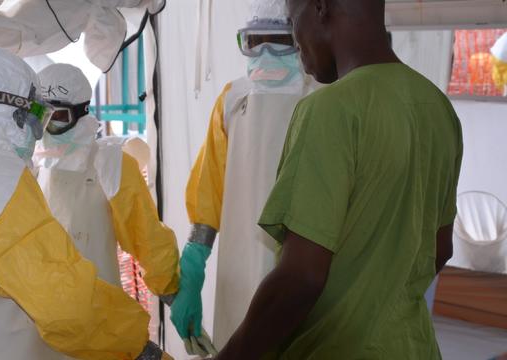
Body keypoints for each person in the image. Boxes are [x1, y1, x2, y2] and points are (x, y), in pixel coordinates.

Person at [214, 0, 463, 358]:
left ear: (319, 8)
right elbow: (439, 249)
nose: (294, 37)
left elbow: (301, 278)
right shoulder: (438, 108)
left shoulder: (328, 110)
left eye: (292, 16)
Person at [0, 48, 170, 360]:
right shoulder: (2, 179)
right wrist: (138, 347)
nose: (38, 132)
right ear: (15, 113)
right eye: (38, 116)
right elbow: (62, 302)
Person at [168, 0, 317, 354]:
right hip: (240, 259)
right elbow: (210, 184)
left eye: (276, 40)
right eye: (254, 41)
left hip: (306, 261)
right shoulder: (231, 99)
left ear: (298, 39)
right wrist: (192, 265)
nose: (265, 53)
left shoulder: (323, 98)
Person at [33, 63, 180, 298]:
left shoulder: (109, 162)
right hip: (39, 316)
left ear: (81, 112)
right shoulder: (32, 167)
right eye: (41, 114)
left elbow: (146, 236)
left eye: (58, 116)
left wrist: (172, 292)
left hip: (98, 315)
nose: (48, 127)